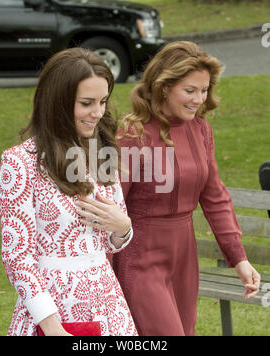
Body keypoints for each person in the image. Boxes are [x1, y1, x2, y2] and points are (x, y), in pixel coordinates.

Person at [111, 41, 261, 336]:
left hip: (184, 256)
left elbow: (215, 197)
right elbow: (110, 206)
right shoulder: (132, 134)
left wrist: (239, 258)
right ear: (164, 87)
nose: (198, 99)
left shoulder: (201, 130)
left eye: (203, 90)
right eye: (189, 91)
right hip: (140, 255)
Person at [0, 48, 138, 336]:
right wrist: (52, 327)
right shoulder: (21, 162)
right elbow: (17, 258)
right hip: (53, 309)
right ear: (58, 102)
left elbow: (112, 239)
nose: (98, 113)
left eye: (102, 101)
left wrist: (123, 227)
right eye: (86, 103)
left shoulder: (102, 154)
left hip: (108, 302)